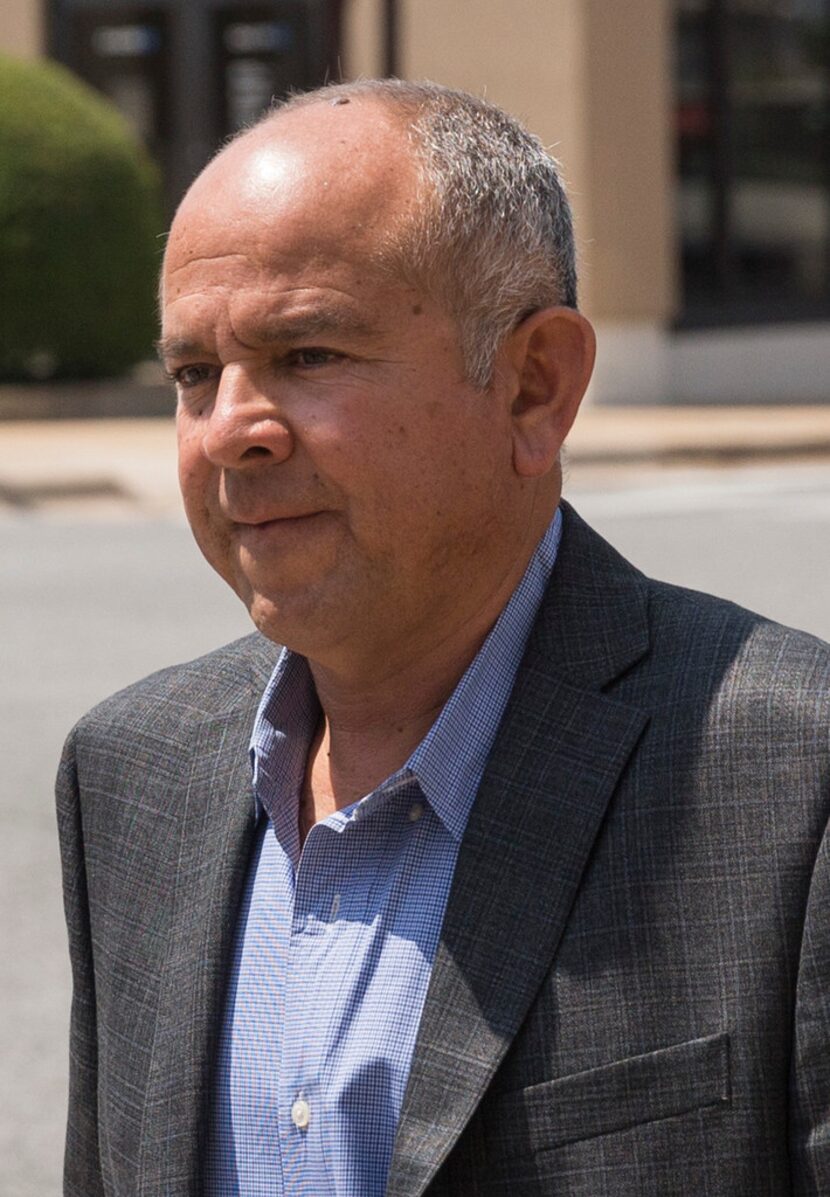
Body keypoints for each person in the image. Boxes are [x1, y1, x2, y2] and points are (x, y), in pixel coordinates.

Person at [57, 79, 830, 1197]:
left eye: (306, 354)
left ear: (533, 386)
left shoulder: (791, 784)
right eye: (192, 376)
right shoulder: (130, 774)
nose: (229, 429)